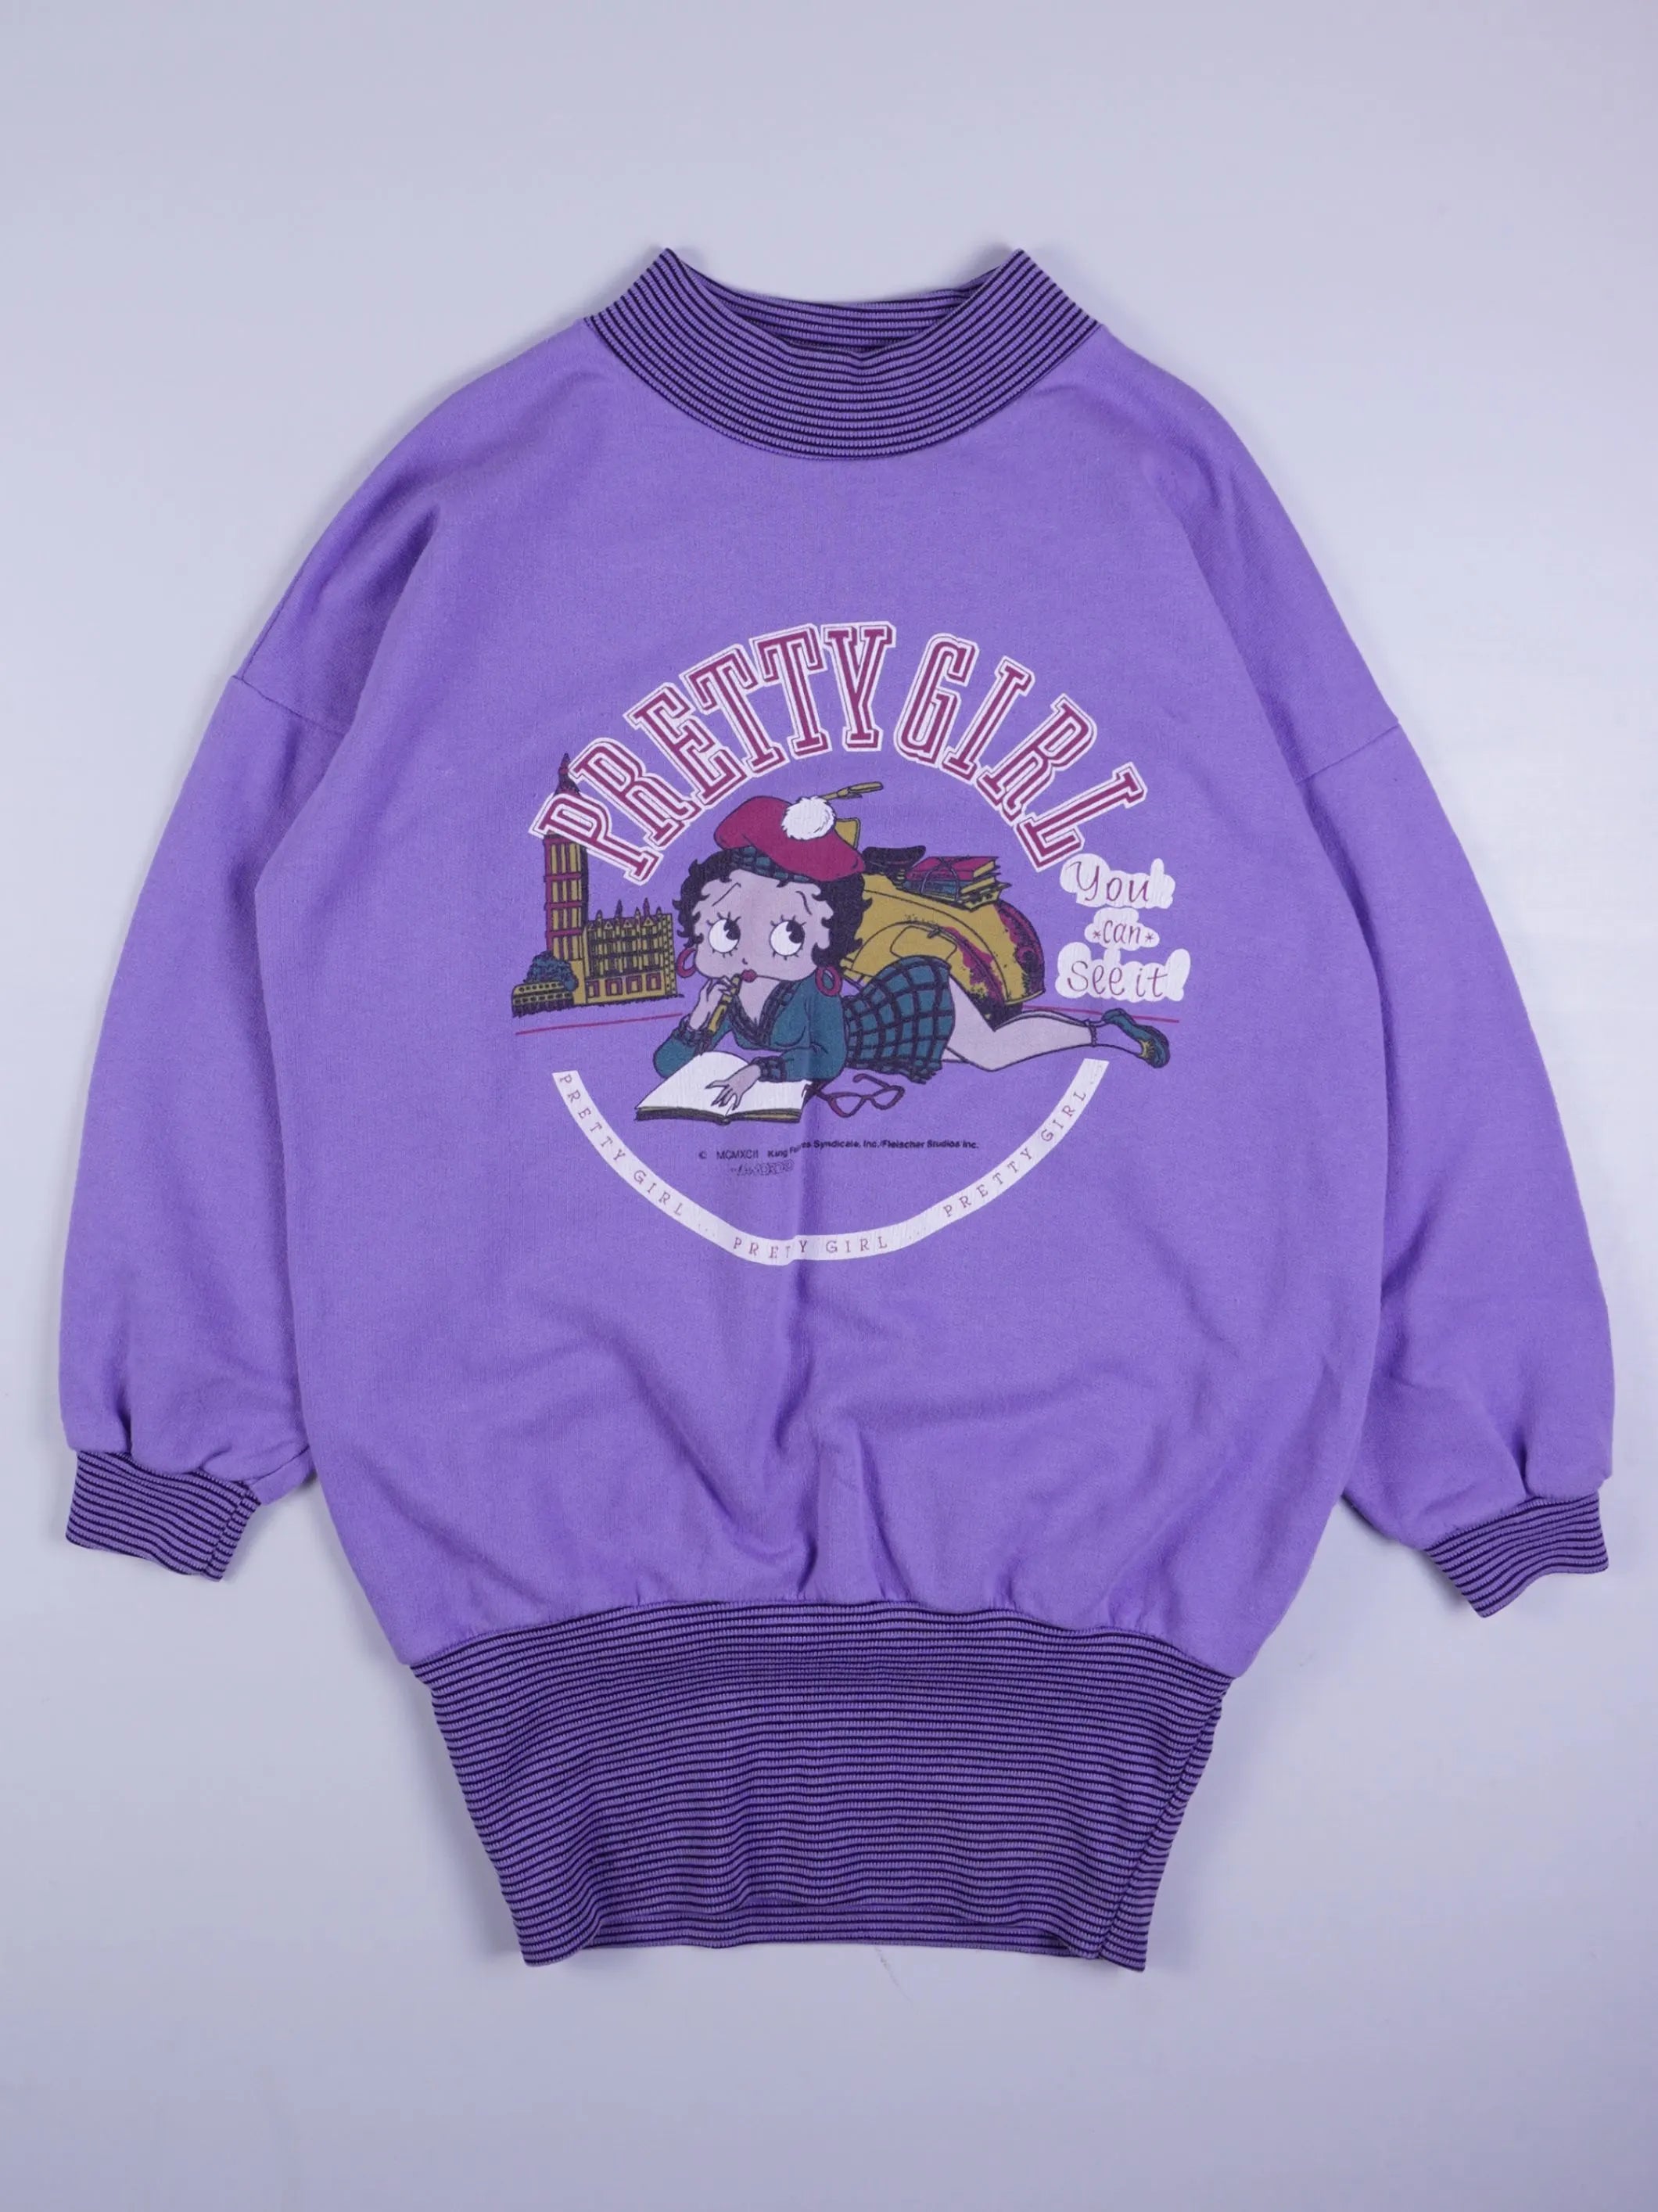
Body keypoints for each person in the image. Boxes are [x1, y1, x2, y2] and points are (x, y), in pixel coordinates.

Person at [651, 789, 1169, 1114]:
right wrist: (697, 1021)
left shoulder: (810, 989)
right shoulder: (728, 999)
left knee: (993, 1053)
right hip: (894, 1043)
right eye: (725, 932)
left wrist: (757, 1072)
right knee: (1000, 1044)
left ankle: (1106, 1034)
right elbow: (667, 1064)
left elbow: (828, 1058)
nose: (745, 953)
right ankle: (1101, 1030)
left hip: (907, 1006)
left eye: (787, 934)